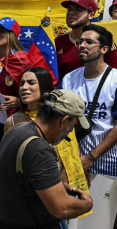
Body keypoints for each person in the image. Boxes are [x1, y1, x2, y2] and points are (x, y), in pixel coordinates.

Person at [60, 24, 117, 229]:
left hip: (108, 161)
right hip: (74, 162)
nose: (82, 45)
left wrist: (90, 157)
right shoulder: (69, 79)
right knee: (78, 221)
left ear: (104, 48)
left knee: (113, 218)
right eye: (80, 41)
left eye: (88, 41)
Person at [0, 89, 93, 228]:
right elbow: (62, 208)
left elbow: (22, 179)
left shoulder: (16, 130)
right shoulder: (39, 149)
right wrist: (87, 203)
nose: (69, 132)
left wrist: (58, 185)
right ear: (65, 120)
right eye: (72, 127)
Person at [55, 0, 117, 81]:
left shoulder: (105, 43)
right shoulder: (58, 42)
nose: (71, 13)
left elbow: (113, 77)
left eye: (78, 10)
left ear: (91, 15)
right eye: (69, 9)